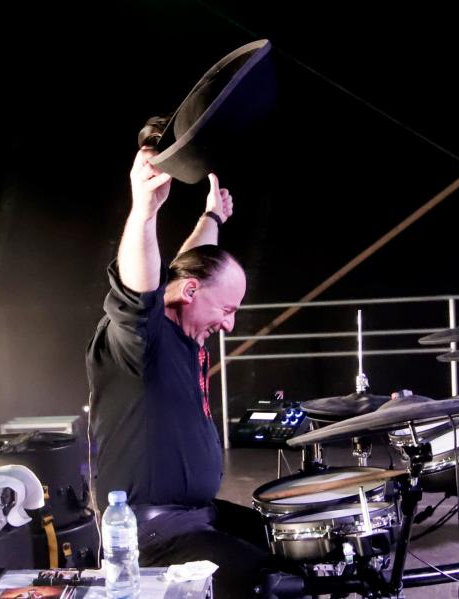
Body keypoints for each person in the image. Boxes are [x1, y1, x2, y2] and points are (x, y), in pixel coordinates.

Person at [86, 118, 286, 597]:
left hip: (198, 516)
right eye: (228, 310)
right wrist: (144, 211)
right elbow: (140, 286)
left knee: (293, 543)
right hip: (155, 536)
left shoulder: (184, 322)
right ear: (192, 294)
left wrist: (211, 218)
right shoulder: (141, 339)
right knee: (270, 583)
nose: (229, 325)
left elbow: (189, 267)